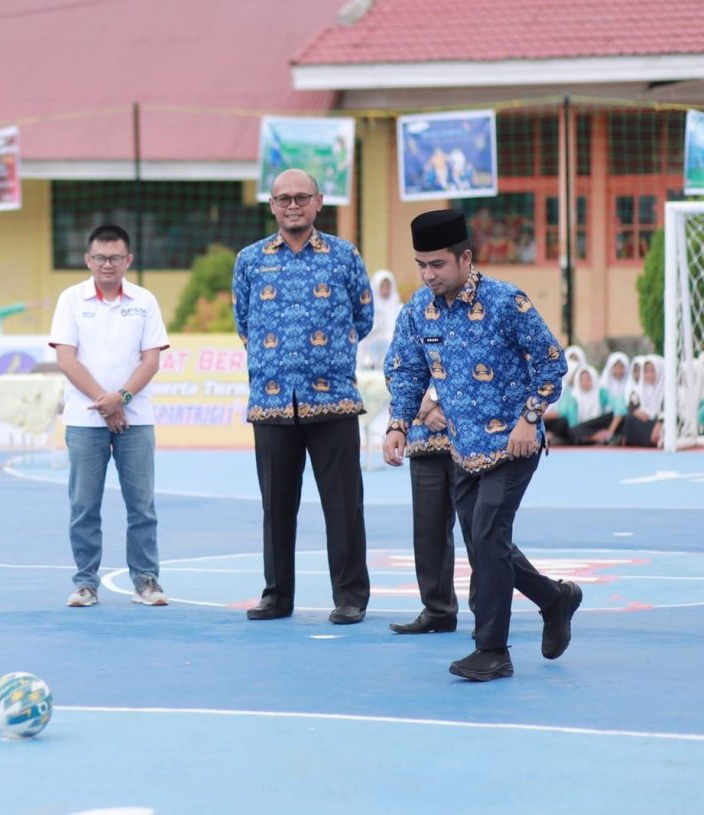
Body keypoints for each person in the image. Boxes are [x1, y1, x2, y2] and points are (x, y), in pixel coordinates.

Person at [383, 209, 581, 682]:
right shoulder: (417, 312)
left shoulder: (506, 302)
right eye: (421, 265)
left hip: (515, 445)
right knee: (487, 547)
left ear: (465, 258)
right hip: (462, 449)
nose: (429, 275)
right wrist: (397, 425)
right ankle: (556, 599)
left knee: (488, 535)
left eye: (438, 265)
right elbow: (408, 371)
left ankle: (492, 650)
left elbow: (552, 364)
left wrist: (529, 418)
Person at [232, 168, 373, 625]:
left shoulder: (343, 255)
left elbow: (363, 315)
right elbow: (244, 323)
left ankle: (350, 596)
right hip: (272, 403)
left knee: (344, 506)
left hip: (333, 400)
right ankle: (277, 595)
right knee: (276, 506)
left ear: (318, 202)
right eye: (283, 198)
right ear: (271, 205)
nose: (292, 205)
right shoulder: (250, 260)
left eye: (301, 197)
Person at [49, 224, 170, 608]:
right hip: (86, 421)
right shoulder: (71, 299)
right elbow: (66, 358)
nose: (107, 264)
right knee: (84, 505)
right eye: (100, 257)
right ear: (88, 260)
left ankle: (147, 581)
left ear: (128, 260)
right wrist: (106, 402)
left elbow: (152, 359)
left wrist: (124, 397)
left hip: (136, 418)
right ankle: (85, 583)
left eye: (115, 258)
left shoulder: (144, 301)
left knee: (142, 505)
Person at [385, 381, 473, 634]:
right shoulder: (406, 337)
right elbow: (398, 368)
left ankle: (489, 614)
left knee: (480, 530)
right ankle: (438, 610)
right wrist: (420, 411)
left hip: (470, 438)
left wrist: (433, 398)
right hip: (423, 439)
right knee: (428, 531)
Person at [358, 269, 402, 370]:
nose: (385, 290)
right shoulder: (369, 309)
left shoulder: (399, 308)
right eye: (382, 286)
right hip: (373, 351)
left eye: (388, 286)